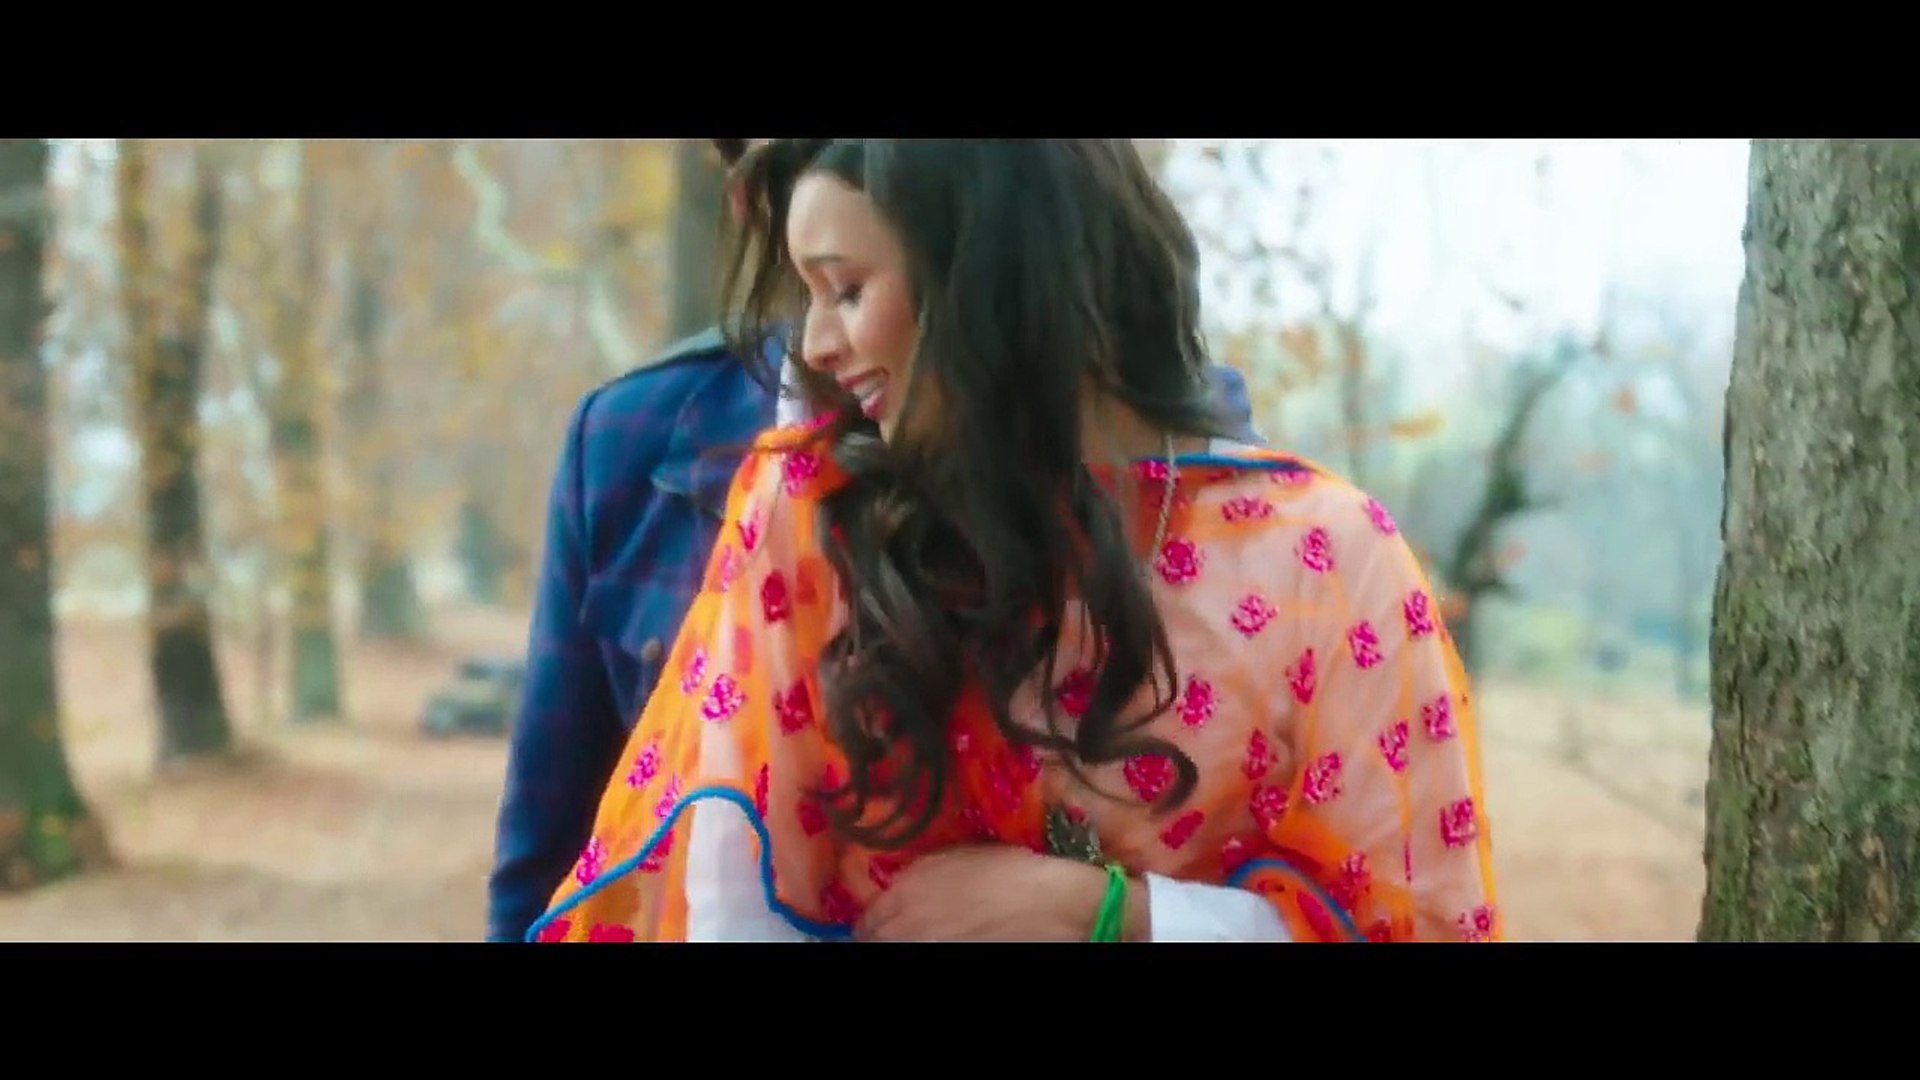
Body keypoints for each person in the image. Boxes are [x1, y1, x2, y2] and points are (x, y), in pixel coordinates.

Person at [526, 139, 1499, 943]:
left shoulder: (1324, 559)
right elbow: (730, 907)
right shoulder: (811, 518)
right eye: (807, 294)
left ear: (991, 276)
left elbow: (1422, 921)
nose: (814, 344)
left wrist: (1116, 915)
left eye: (847, 289)